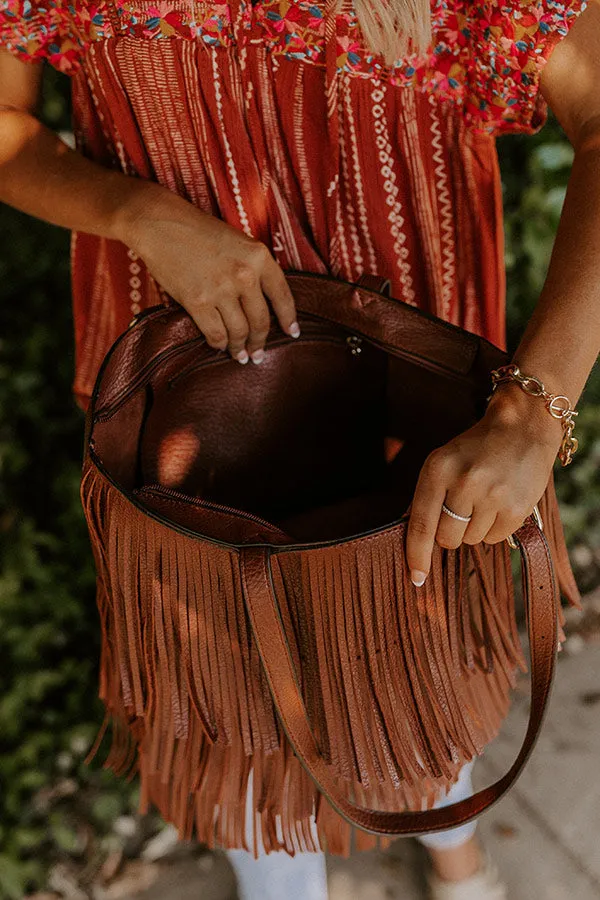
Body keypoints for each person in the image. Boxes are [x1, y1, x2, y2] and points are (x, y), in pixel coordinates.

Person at [1, 1, 600, 898]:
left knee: (409, 645)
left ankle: (454, 843)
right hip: (182, 376)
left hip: (401, 367)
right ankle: (286, 884)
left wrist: (534, 409)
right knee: (230, 690)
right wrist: (138, 213)